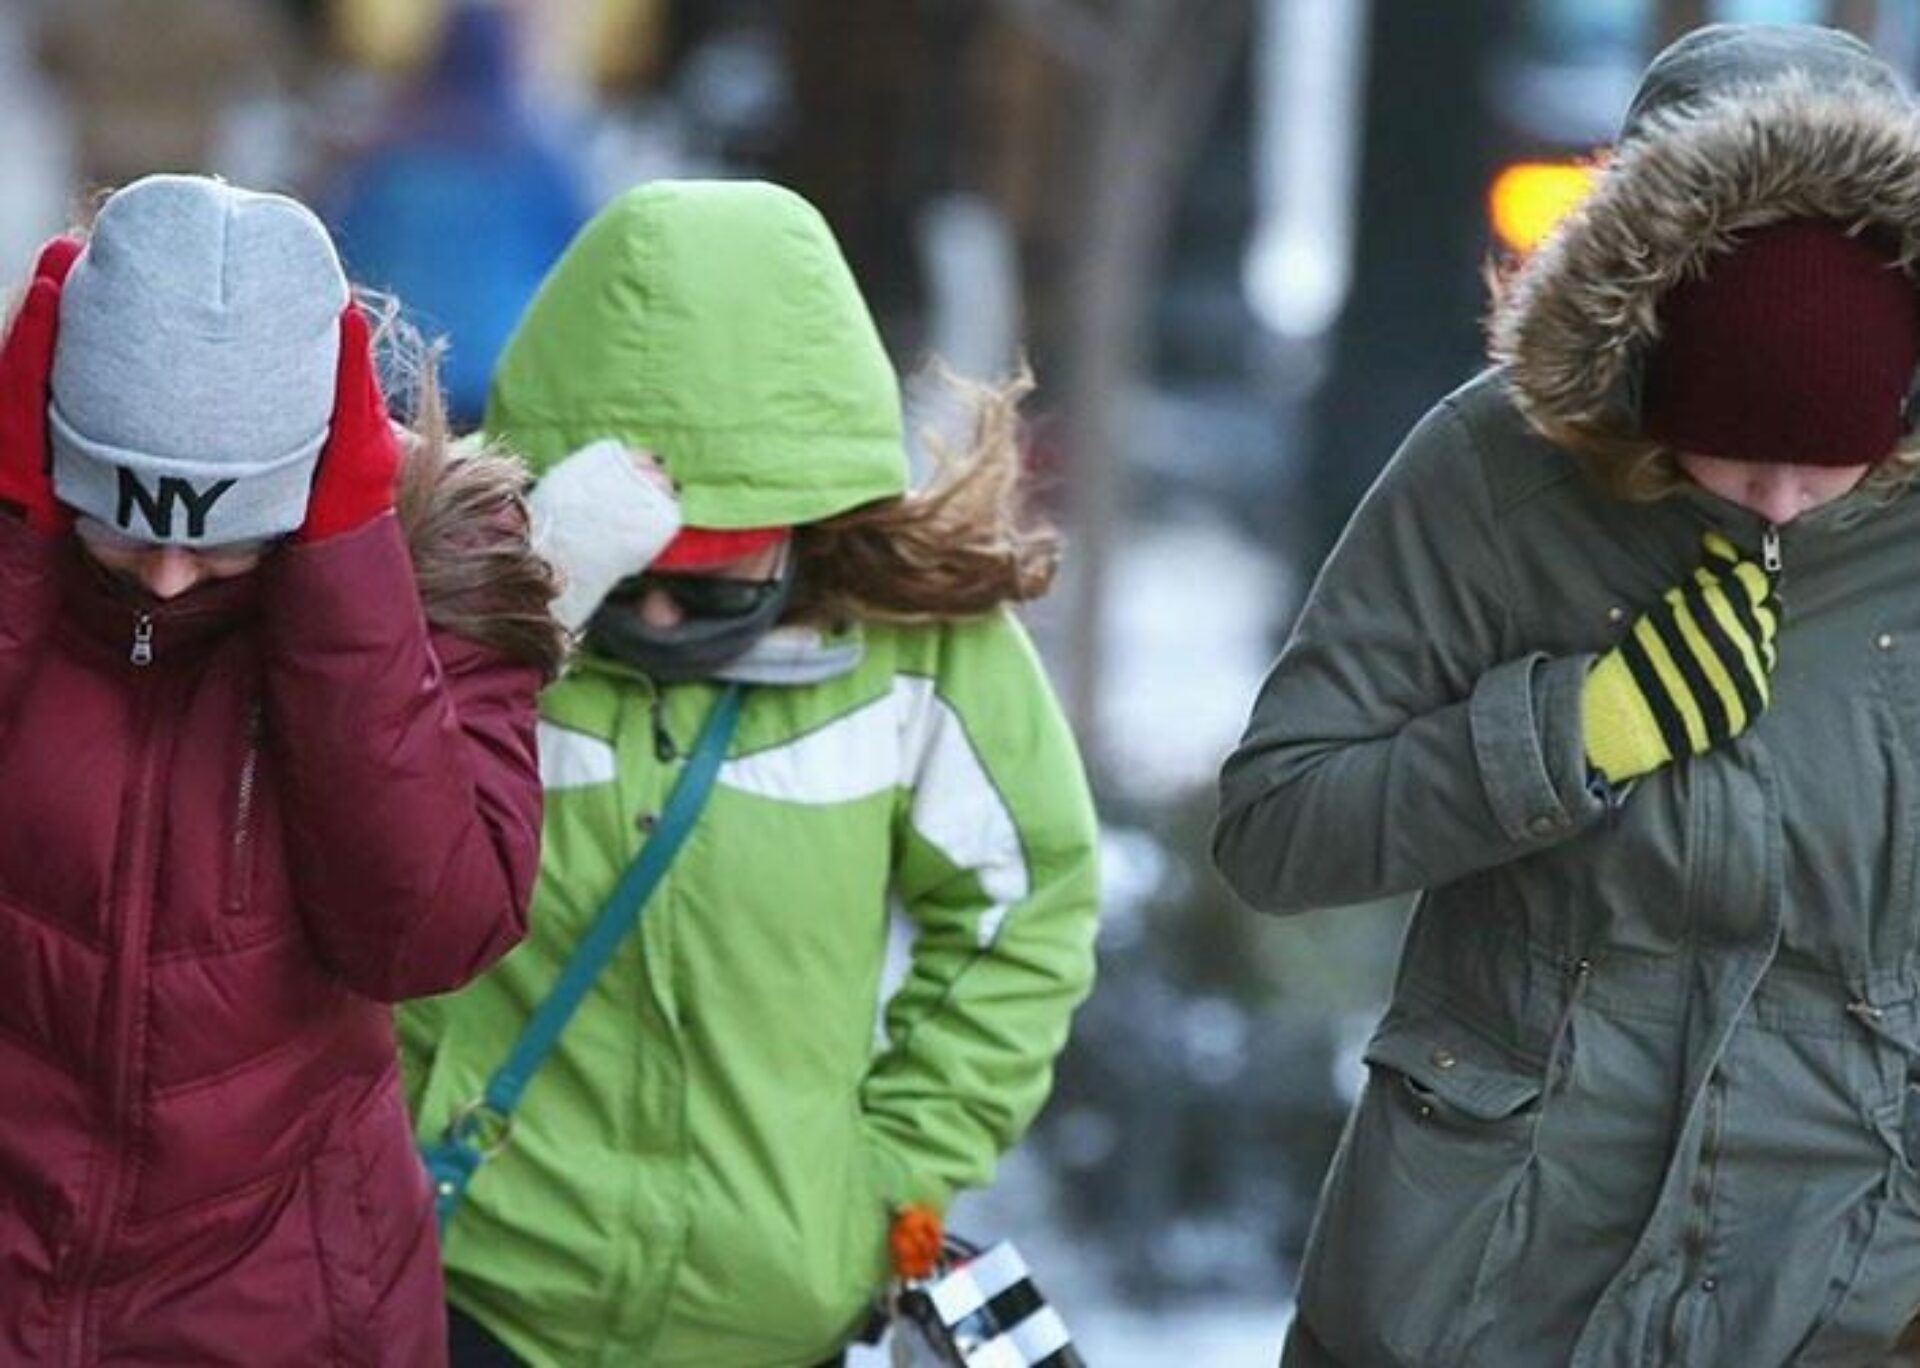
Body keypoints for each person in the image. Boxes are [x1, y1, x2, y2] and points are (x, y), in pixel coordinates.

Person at [1215, 23, 1920, 1367]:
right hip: (1474, 1287)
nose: (1776, 503)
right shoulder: (1494, 471)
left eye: (1828, 465)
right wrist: (1575, 732)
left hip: (1833, 1292)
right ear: (1646, 366)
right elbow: (1277, 826)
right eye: (1732, 456)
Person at [399, 178, 1100, 1368]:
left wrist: (889, 1182)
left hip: (775, 1316)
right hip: (466, 1297)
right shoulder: (447, 630)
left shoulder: (923, 658)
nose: (662, 612)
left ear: (808, 519)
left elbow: (1025, 909)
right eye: (632, 581)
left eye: (714, 587)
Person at [0, 174, 563, 1365]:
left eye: (218, 541)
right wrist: (15, 540)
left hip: (285, 1307)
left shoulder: (428, 563)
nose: (162, 580)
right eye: (119, 527)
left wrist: (344, 571)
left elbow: (426, 935)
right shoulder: (22, 545)